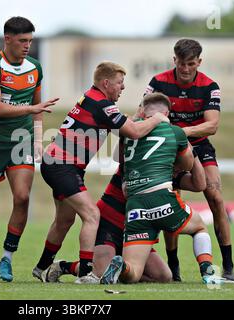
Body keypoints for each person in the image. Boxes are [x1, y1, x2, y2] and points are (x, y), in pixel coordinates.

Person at [32, 62, 169, 284]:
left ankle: (42, 268)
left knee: (64, 221)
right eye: (119, 83)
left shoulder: (92, 98)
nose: (122, 88)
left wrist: (135, 116)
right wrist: (156, 118)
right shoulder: (102, 104)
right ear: (106, 83)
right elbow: (133, 132)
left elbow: (124, 125)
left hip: (61, 164)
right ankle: (86, 273)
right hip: (62, 166)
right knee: (92, 215)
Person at [38, 110, 207, 284]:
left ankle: (120, 266)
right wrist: (132, 123)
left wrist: (192, 153)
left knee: (163, 276)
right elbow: (119, 146)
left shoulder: (165, 169)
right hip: (111, 223)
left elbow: (199, 184)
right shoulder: (134, 159)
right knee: (99, 274)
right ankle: (64, 266)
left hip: (137, 227)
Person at [100, 93, 223, 285]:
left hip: (134, 206)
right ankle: (208, 272)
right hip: (161, 198)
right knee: (199, 227)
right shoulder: (174, 132)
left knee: (133, 272)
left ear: (143, 111)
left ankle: (121, 267)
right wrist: (192, 153)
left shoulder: (129, 133)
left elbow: (118, 159)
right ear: (167, 113)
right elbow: (191, 168)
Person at [0, 16, 58, 283]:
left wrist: (37, 140)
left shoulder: (34, 67)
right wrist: (31, 109)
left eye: (30, 41)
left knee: (22, 198)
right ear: (7, 39)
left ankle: (6, 260)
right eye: (22, 41)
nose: (27, 46)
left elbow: (38, 110)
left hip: (21, 142)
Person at [145, 39, 234, 282]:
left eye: (191, 64)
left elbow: (212, 125)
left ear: (199, 62)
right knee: (171, 203)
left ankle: (228, 267)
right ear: (174, 60)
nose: (185, 69)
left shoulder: (209, 86)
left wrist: (180, 132)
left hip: (198, 146)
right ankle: (173, 268)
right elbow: (144, 112)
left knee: (216, 196)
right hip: (169, 150)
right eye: (181, 63)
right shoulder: (158, 83)